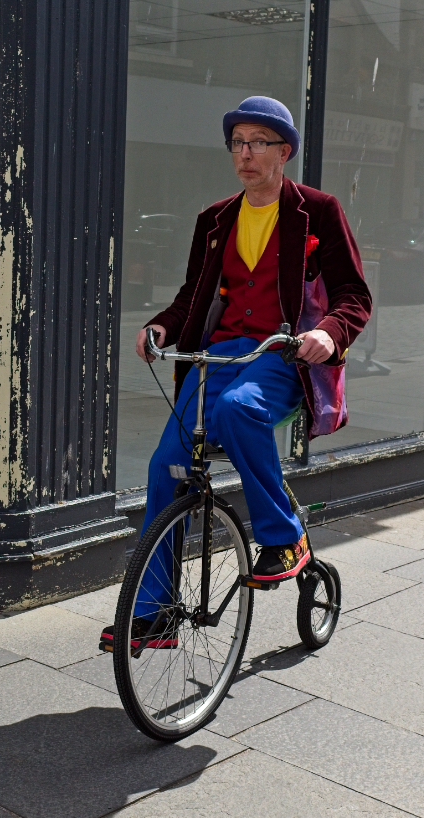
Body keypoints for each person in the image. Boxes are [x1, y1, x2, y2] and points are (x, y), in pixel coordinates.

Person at [101, 97, 371, 652]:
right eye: (237, 143)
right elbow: (192, 299)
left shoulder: (316, 210)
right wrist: (160, 328)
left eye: (258, 143)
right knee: (166, 470)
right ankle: (156, 615)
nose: (245, 154)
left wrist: (330, 334)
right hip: (218, 355)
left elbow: (354, 295)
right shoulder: (215, 219)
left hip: (282, 353)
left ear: (284, 152)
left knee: (239, 409)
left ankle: (284, 538)